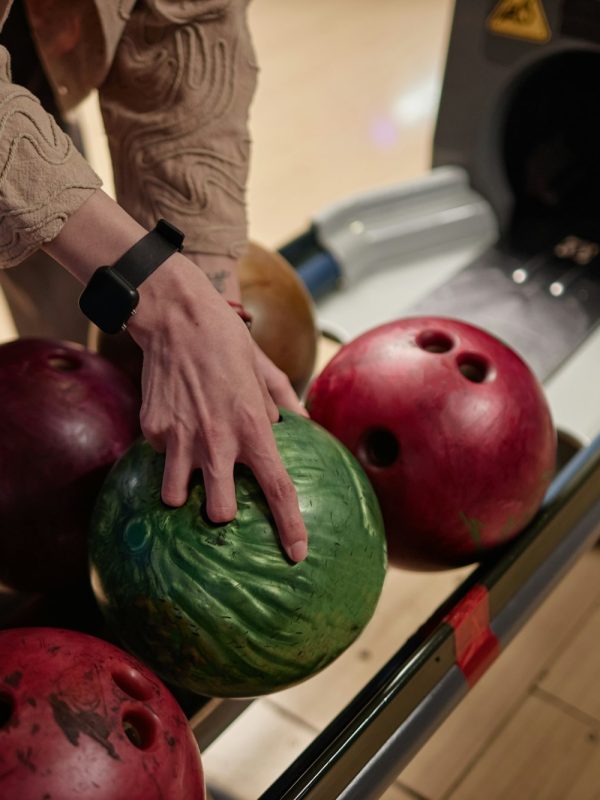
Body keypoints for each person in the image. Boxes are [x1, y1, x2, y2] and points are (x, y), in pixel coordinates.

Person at [0, 0, 309, 562]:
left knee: (59, 251)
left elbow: (186, 18)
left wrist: (212, 305)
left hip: (29, 60)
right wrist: (172, 303)